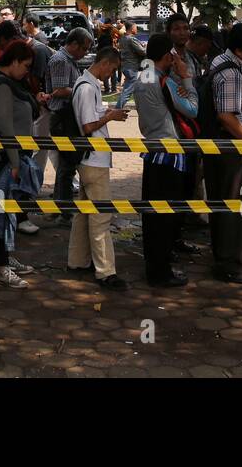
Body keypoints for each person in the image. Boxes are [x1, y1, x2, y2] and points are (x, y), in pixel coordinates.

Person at [0, 40, 42, 288]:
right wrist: (15, 162)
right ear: (13, 61)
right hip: (1, 160)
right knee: (1, 214)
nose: (27, 70)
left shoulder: (11, 84)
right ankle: (0, 266)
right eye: (25, 65)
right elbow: (5, 128)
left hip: (11, 158)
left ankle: (5, 258)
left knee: (9, 213)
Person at [201, 21, 242, 283]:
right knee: (235, 205)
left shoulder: (219, 62)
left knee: (223, 203)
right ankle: (229, 263)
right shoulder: (232, 74)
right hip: (232, 147)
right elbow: (226, 116)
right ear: (240, 49)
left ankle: (225, 256)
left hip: (222, 145)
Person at [66, 47, 129, 289]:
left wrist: (107, 112)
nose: (111, 74)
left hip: (92, 160)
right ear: (104, 63)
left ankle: (78, 260)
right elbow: (88, 125)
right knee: (101, 217)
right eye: (112, 69)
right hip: (93, 160)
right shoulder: (86, 87)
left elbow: (91, 117)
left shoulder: (87, 84)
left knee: (84, 213)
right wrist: (109, 117)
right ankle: (106, 272)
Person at [137, 34, 194, 287]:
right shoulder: (161, 81)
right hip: (169, 154)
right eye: (173, 54)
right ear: (166, 55)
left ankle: (155, 266)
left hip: (153, 151)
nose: (176, 58)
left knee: (153, 216)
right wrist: (187, 77)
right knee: (164, 216)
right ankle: (161, 272)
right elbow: (192, 108)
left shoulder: (142, 77)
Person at [45, 26, 93, 222]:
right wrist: (84, 89)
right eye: (84, 48)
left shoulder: (69, 60)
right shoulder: (60, 60)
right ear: (73, 44)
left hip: (68, 116)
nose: (85, 53)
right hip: (62, 116)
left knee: (67, 165)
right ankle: (64, 211)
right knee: (67, 166)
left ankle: (60, 205)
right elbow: (59, 90)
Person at [116, 20, 146, 109]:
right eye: (135, 27)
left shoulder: (123, 38)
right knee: (128, 91)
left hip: (126, 66)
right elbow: (142, 51)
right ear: (131, 28)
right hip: (132, 67)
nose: (136, 29)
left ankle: (143, 106)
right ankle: (118, 108)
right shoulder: (131, 39)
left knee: (137, 88)